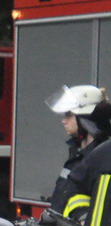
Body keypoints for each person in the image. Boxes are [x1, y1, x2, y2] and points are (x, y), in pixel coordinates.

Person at [46, 85, 111, 213]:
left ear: (85, 118)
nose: (64, 121)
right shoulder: (77, 154)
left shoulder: (100, 160)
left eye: (69, 115)